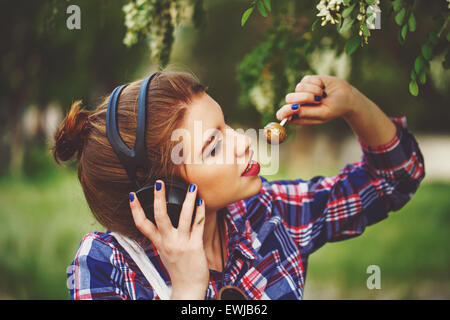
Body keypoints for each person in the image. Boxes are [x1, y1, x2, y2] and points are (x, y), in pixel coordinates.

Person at [53, 71, 425, 300]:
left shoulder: (266, 215)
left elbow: (395, 179)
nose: (244, 141)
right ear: (163, 196)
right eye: (214, 145)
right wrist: (187, 290)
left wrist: (353, 104)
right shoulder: (107, 265)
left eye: (226, 125)